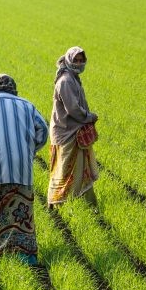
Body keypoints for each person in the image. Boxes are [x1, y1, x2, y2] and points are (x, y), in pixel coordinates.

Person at [0, 74, 48, 268]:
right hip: (21, 168)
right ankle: (26, 256)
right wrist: (29, 150)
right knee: (20, 213)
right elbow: (43, 131)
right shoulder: (27, 105)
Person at [47, 46, 99, 209]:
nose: (78, 63)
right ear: (69, 60)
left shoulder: (72, 77)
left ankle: (89, 205)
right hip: (66, 133)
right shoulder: (66, 81)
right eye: (75, 60)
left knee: (81, 169)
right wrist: (89, 117)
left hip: (73, 132)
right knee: (64, 171)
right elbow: (73, 109)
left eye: (81, 60)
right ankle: (56, 204)